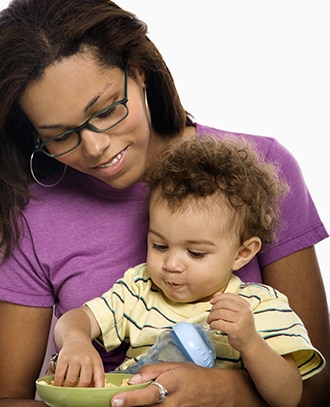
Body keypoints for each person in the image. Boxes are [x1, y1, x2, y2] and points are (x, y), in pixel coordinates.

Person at [0, 0, 328, 406]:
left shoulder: (262, 170)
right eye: (59, 136)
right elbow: (9, 396)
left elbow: (317, 388)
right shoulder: (36, 220)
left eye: (105, 111)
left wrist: (223, 392)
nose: (96, 147)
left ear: (138, 72)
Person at [53, 136, 325, 407]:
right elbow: (77, 319)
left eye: (195, 253)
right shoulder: (139, 289)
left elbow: (289, 397)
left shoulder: (258, 306)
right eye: (159, 245)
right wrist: (75, 341)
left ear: (242, 253)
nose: (171, 264)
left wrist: (251, 343)